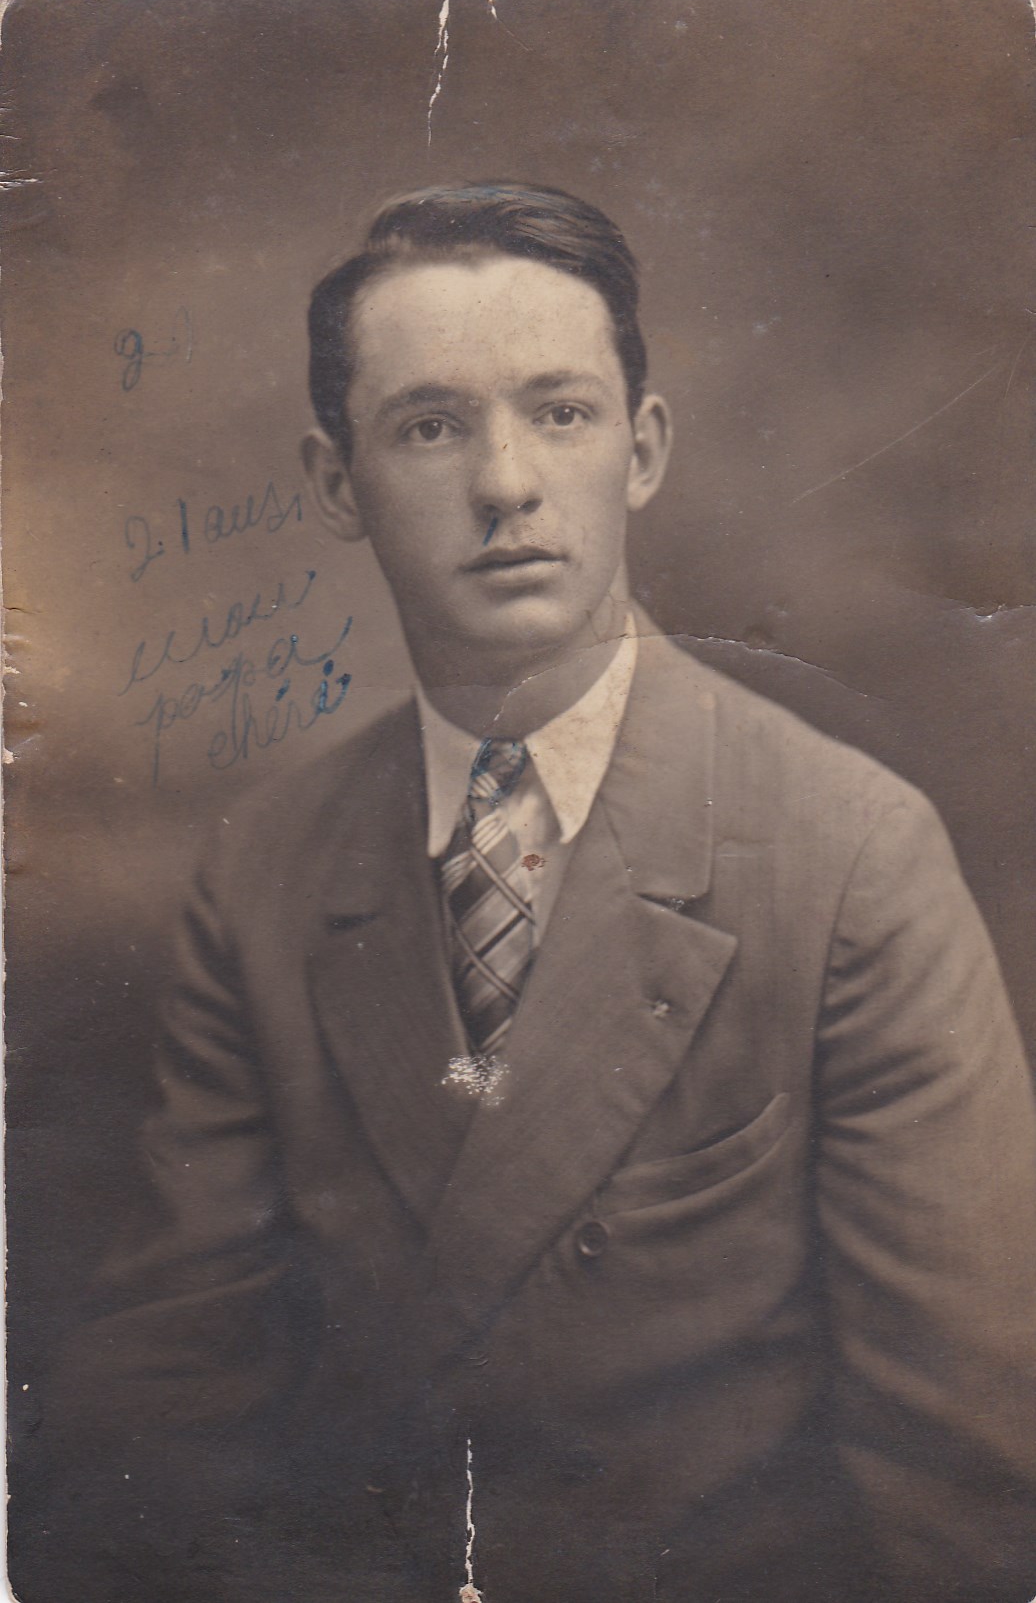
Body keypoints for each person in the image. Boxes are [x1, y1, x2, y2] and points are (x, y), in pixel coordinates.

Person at [38, 182, 1036, 1602]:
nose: (505, 483)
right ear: (337, 483)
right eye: (430, 426)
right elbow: (166, 1405)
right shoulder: (266, 869)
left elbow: (963, 1480)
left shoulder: (850, 856)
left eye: (560, 413)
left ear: (643, 450)